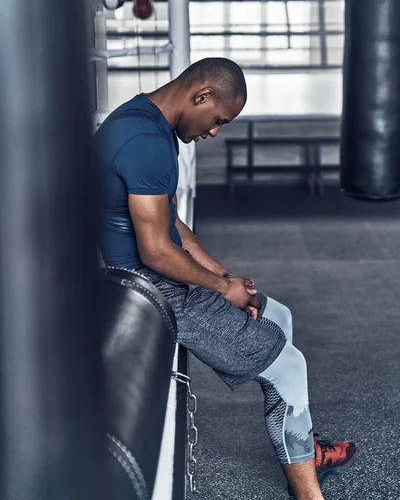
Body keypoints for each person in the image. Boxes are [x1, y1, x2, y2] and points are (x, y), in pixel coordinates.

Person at [95, 57, 356, 500]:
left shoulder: (146, 121)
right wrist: (220, 288)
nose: (214, 131)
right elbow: (156, 250)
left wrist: (225, 275)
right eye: (217, 119)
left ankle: (303, 447)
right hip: (147, 288)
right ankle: (309, 493)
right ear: (201, 96)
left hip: (157, 275)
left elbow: (171, 224)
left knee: (278, 316)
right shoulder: (145, 140)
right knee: (291, 367)